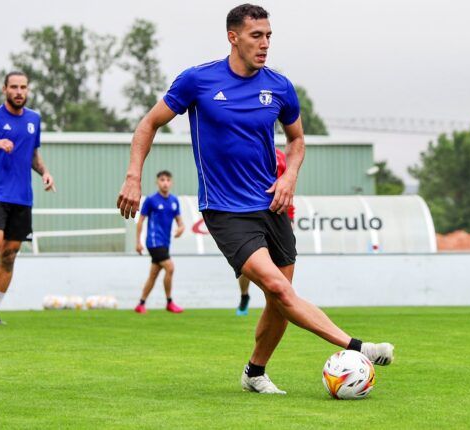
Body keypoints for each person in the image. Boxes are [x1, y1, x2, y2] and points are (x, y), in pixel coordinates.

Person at [117, 3, 394, 394]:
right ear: (233, 37)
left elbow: (297, 139)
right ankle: (358, 347)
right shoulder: (197, 81)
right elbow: (149, 123)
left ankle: (254, 373)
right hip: (225, 210)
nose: (264, 44)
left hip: (271, 204)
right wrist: (133, 177)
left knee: (279, 299)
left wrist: (289, 177)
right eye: (256, 36)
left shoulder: (279, 86)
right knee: (281, 290)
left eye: (268, 36)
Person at [0, 71, 56, 325]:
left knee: (10, 253)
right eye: (14, 87)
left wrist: (45, 172)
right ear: (5, 89)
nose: (19, 92)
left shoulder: (34, 120)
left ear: (27, 90)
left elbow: (33, 155)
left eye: (23, 87)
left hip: (23, 198)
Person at [236, 148, 294, 316]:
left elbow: (287, 190)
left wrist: (290, 218)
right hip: (250, 216)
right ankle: (244, 295)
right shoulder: (248, 151)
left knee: (277, 270)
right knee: (248, 265)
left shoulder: (282, 157)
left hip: (277, 217)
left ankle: (273, 303)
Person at [134, 170, 185, 314]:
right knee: (170, 267)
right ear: (157, 182)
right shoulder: (151, 200)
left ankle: (141, 303)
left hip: (165, 243)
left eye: (168, 180)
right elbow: (141, 221)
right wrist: (138, 242)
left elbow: (180, 222)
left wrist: (181, 228)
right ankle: (169, 302)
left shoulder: (174, 201)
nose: (165, 183)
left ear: (171, 182)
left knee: (153, 274)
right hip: (154, 242)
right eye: (162, 180)